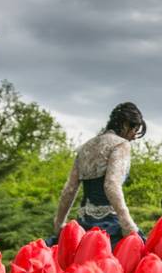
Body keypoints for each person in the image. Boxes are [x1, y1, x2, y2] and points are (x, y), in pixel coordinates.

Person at [53, 102, 145, 248]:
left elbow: (69, 190)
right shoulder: (120, 145)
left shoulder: (85, 147)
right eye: (135, 129)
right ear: (126, 124)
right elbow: (111, 185)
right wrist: (129, 226)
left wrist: (59, 226)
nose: (134, 136)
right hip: (109, 226)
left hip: (83, 224)